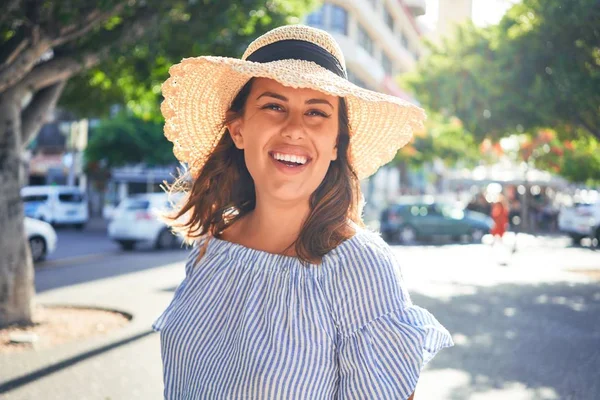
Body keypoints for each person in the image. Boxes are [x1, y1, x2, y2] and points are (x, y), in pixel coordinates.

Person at [152, 25, 453, 399]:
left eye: (316, 112)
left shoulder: (360, 267)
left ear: (336, 145)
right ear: (239, 130)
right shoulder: (213, 246)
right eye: (274, 106)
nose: (294, 128)